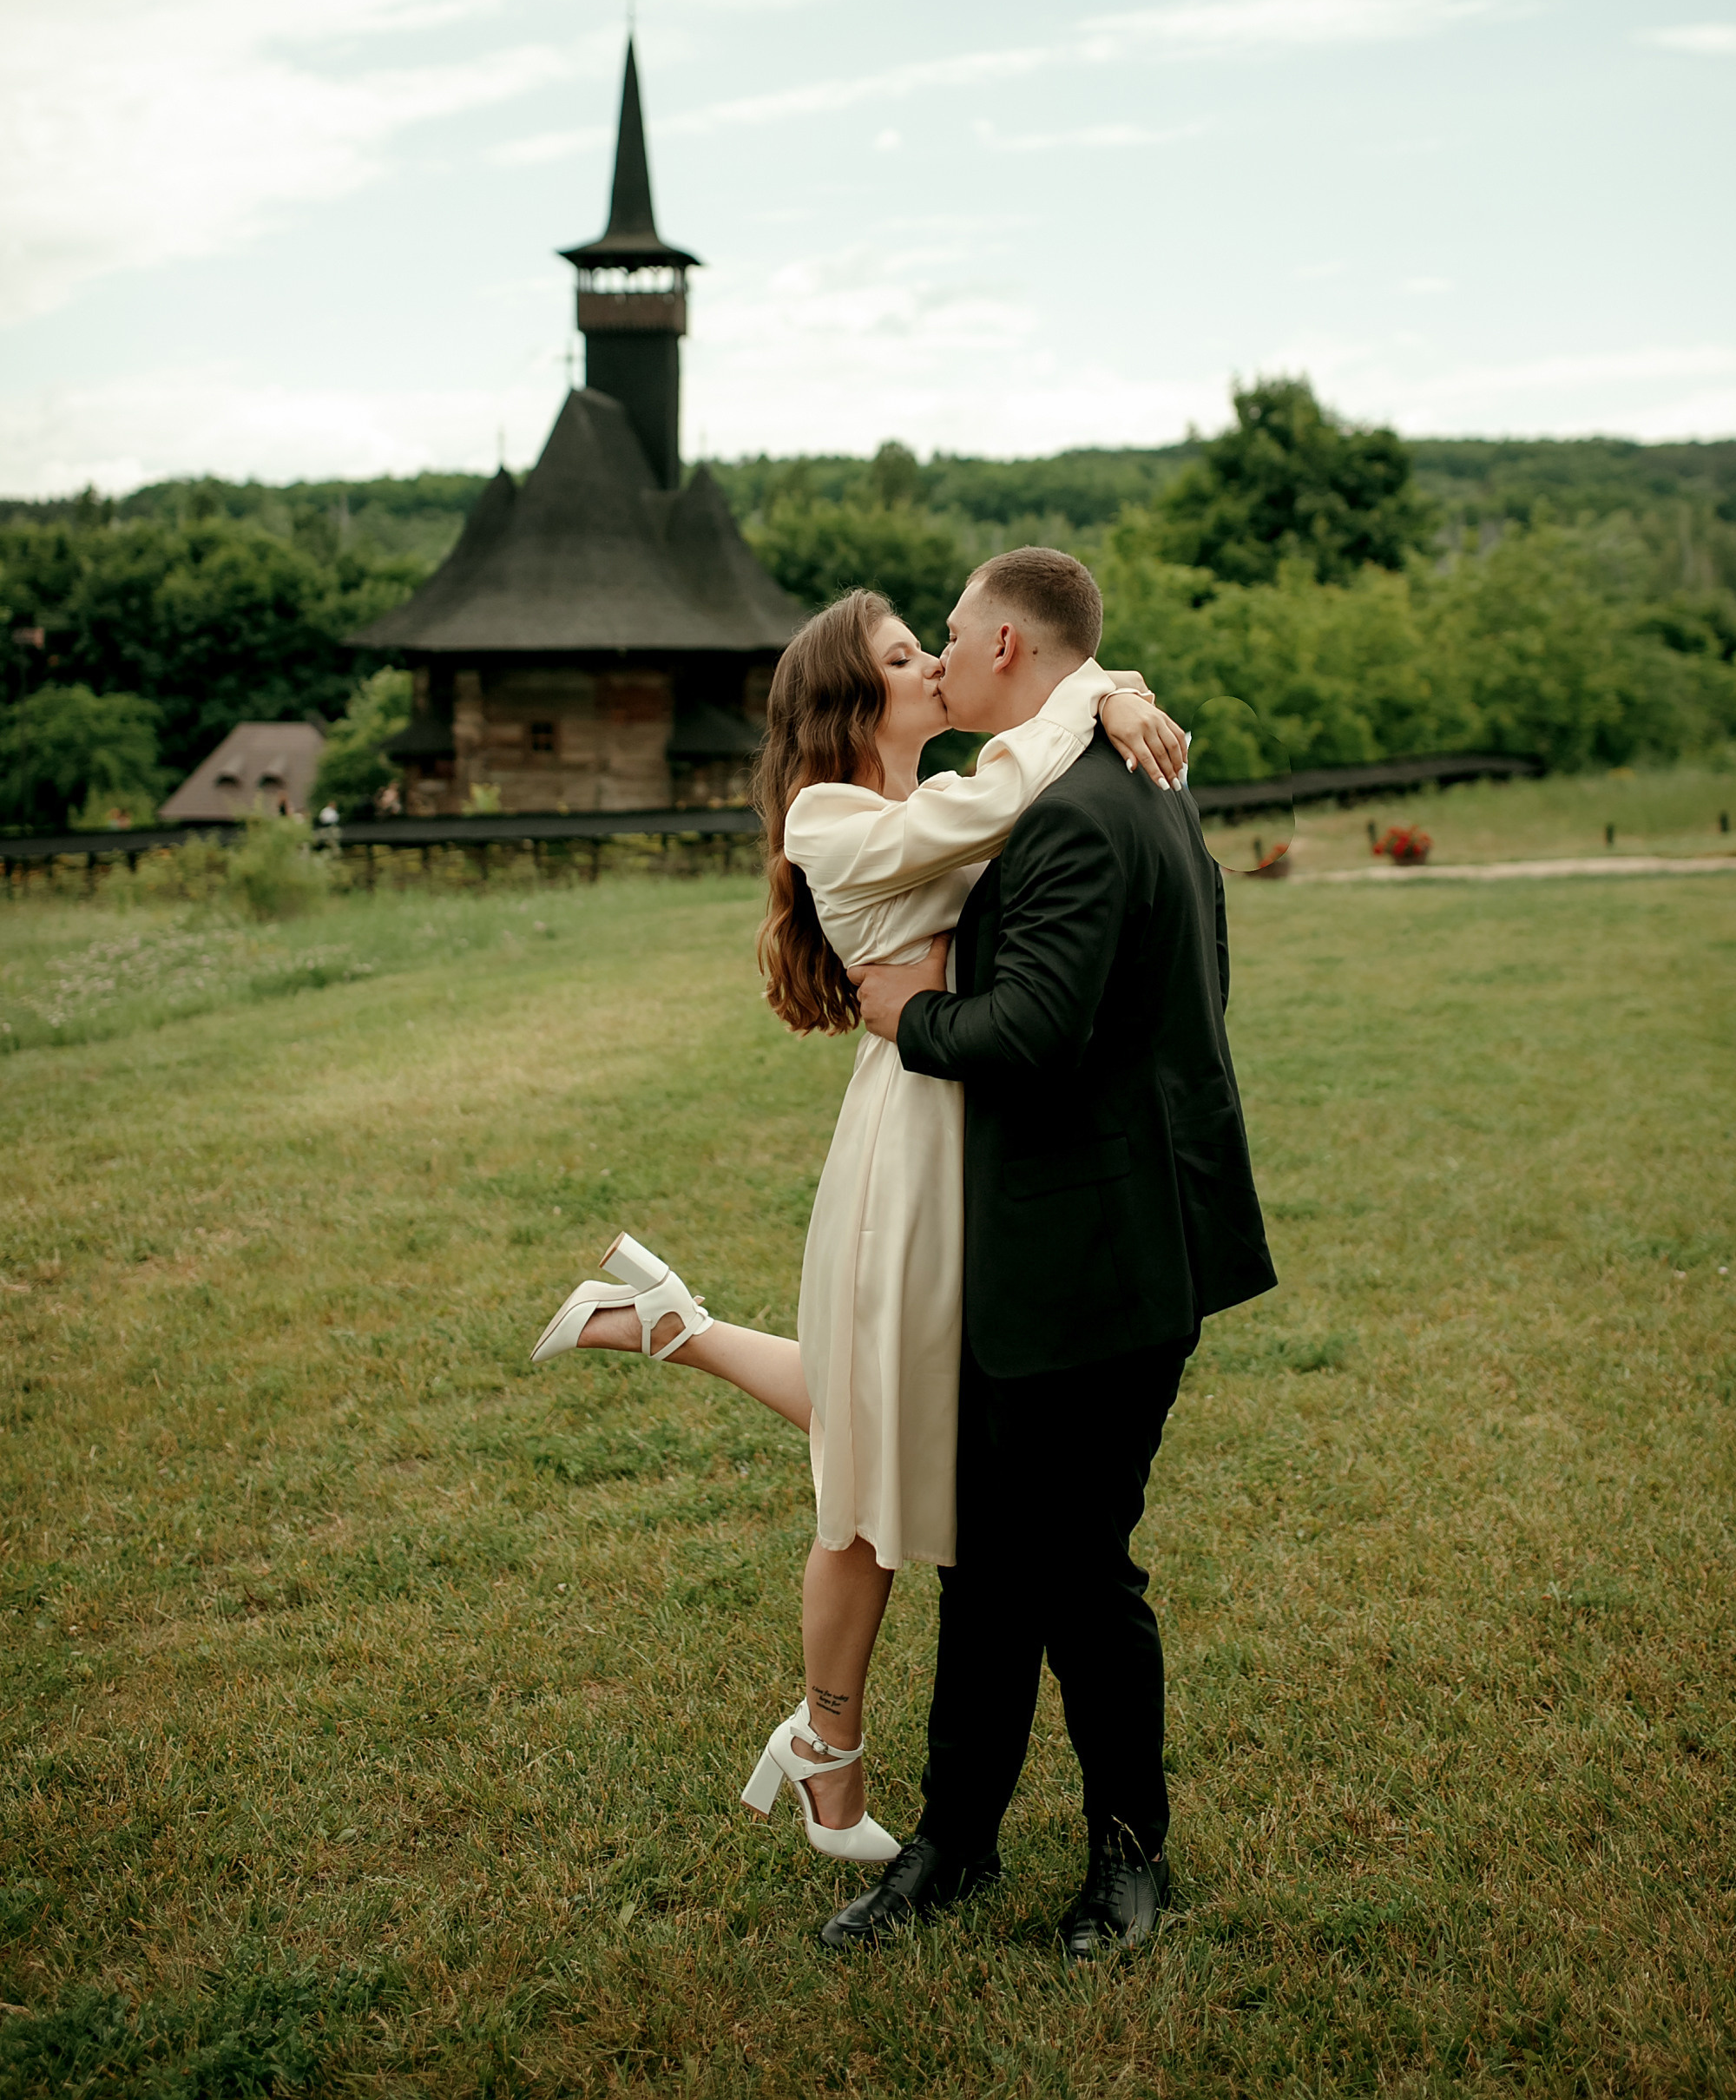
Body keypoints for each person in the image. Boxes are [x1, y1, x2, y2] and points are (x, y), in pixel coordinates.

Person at [529, 583, 1187, 1869]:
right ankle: (832, 1748)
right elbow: (1000, 803)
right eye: (904, 655)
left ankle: (677, 1327)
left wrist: (1114, 691)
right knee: (874, 1465)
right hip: (913, 1146)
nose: (935, 664)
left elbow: (1021, 816)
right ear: (854, 700)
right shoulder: (833, 814)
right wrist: (1094, 691)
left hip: (977, 1131)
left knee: (890, 1427)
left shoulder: (929, 795)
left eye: (934, 641)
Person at [822, 545, 1276, 1958]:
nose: (942, 661)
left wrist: (902, 1016)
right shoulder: (1132, 770)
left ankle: (1126, 1859)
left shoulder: (1079, 810)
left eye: (951, 638)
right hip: (1076, 1242)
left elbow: (1032, 1033)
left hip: (1098, 1258)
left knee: (1077, 1573)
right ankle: (954, 1843)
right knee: (989, 1569)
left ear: (1009, 650)